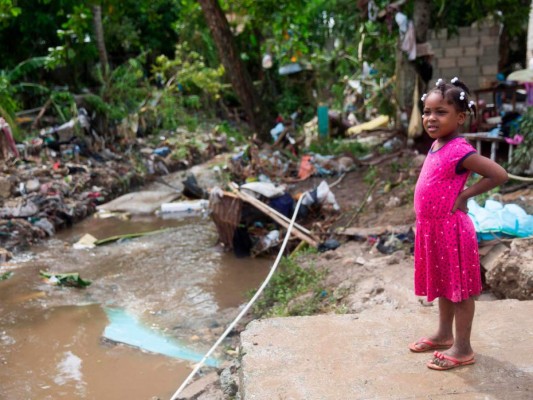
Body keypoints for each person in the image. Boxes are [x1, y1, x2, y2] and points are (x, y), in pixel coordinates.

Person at [408, 77, 508, 370]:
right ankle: (443, 334)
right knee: (443, 284)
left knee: (460, 291)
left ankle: (462, 348)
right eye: (427, 111)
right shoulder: (438, 144)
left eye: (440, 112)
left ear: (460, 117)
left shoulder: (459, 149)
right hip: (434, 229)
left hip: (452, 230)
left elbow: (499, 174)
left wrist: (465, 194)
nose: (430, 118)